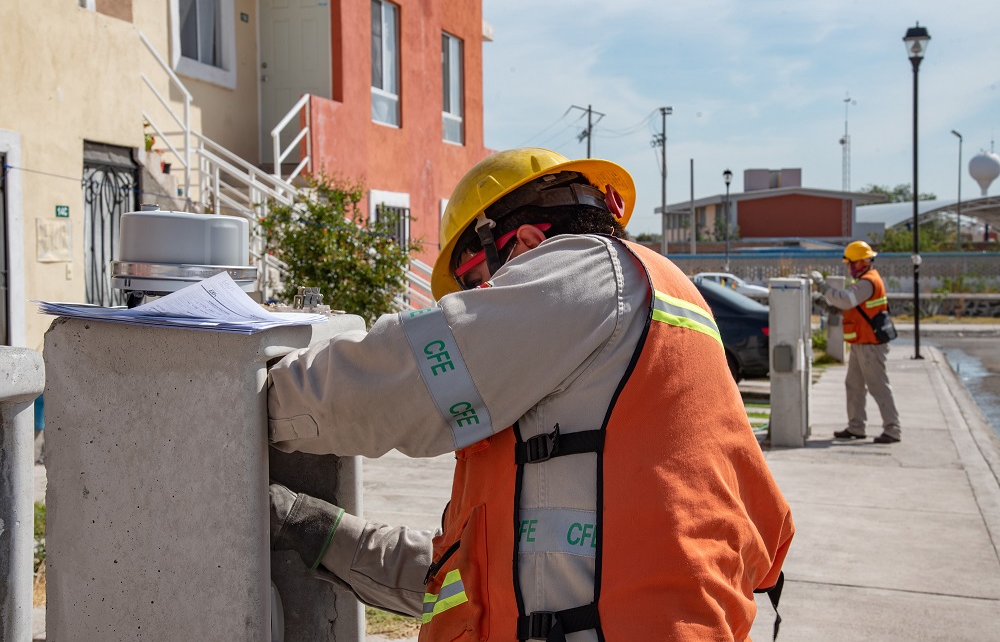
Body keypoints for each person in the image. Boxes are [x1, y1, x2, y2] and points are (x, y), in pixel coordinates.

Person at [267, 148, 794, 641]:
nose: (476, 308)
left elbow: (397, 382)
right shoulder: (642, 314)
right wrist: (317, 531)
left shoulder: (589, 274)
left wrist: (246, 401)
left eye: (476, 287)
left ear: (524, 245)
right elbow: (475, 577)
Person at [811, 240, 901, 444]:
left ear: (862, 262)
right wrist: (828, 306)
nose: (849, 267)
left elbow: (846, 300)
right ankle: (856, 427)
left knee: (878, 386)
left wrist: (823, 286)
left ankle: (893, 429)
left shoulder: (868, 281)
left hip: (870, 344)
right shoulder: (864, 280)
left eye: (851, 263)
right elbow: (852, 308)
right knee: (854, 385)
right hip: (861, 342)